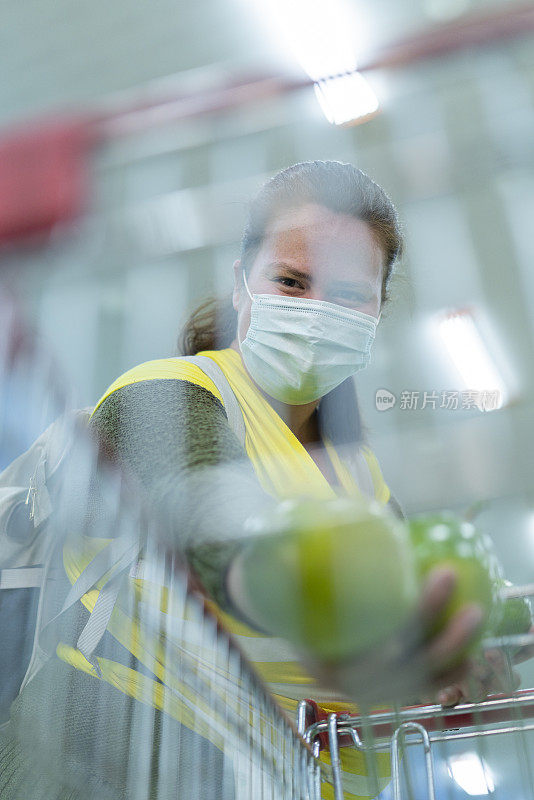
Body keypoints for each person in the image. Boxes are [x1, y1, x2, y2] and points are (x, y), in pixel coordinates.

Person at [0, 161, 521, 800]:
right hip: (117, 765)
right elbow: (209, 522)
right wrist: (290, 590)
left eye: (350, 294)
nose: (317, 310)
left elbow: (397, 637)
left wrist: (447, 660)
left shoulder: (363, 481)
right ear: (244, 280)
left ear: (380, 307)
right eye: (293, 282)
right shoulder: (168, 393)